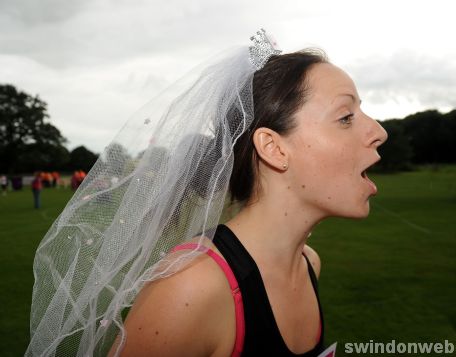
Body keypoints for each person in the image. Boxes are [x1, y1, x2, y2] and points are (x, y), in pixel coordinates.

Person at [27, 30, 387, 357]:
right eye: (345, 117)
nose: (379, 131)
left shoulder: (309, 264)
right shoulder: (189, 289)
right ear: (274, 149)